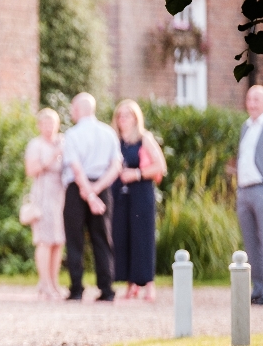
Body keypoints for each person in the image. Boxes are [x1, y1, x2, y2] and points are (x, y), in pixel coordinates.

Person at [61, 93, 123, 302]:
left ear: (78, 110)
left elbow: (76, 168)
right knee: (102, 239)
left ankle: (77, 289)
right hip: (101, 188)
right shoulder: (109, 133)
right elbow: (116, 166)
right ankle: (107, 289)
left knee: (75, 239)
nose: (71, 112)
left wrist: (88, 193)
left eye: (72, 108)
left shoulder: (71, 134)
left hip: (77, 190)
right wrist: (96, 191)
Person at [111, 100, 167, 301]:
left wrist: (137, 174)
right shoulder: (115, 141)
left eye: (127, 115)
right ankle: (130, 284)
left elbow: (160, 166)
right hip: (120, 195)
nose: (123, 119)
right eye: (120, 115)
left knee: (142, 238)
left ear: (136, 118)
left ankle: (149, 285)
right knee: (122, 237)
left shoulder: (145, 139)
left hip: (141, 192)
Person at [25, 108, 67, 300]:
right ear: (39, 126)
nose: (49, 127)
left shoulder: (63, 142)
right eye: (45, 123)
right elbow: (31, 170)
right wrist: (53, 156)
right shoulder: (36, 145)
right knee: (44, 240)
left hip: (60, 195)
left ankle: (54, 282)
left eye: (53, 123)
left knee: (58, 241)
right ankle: (45, 282)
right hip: (43, 196)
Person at [236, 84, 263, 305]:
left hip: (262, 188)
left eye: (256, 99)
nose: (252, 104)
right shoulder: (246, 126)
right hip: (244, 191)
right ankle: (258, 288)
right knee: (251, 242)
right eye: (249, 99)